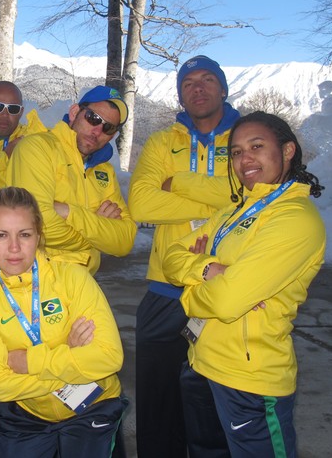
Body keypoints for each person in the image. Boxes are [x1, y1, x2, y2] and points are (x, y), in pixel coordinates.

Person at [162, 111, 326, 457]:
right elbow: (171, 257)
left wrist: (190, 293)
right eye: (236, 152)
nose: (244, 159)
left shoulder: (295, 220)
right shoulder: (234, 211)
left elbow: (225, 302)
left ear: (287, 151)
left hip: (250, 381)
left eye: (256, 146)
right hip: (201, 363)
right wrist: (208, 270)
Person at [127, 55, 241, 457]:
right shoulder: (162, 142)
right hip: (167, 288)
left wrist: (179, 183)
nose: (198, 87)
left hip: (228, 286)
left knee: (217, 404)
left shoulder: (246, 138)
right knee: (158, 405)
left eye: (208, 78)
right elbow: (141, 203)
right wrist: (217, 202)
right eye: (188, 81)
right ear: (180, 93)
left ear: (223, 88)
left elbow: (247, 194)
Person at [0, 186, 127, 458]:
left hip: (92, 406)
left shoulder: (73, 278)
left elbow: (110, 358)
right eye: (2, 235)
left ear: (39, 235)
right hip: (28, 414)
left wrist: (29, 362)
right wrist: (69, 351)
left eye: (25, 235)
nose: (14, 247)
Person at [6, 85, 136, 274]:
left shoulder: (104, 171)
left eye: (108, 128)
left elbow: (125, 240)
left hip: (82, 285)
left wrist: (69, 212)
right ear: (75, 112)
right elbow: (35, 225)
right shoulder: (37, 148)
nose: (97, 130)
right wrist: (94, 236)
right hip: (34, 281)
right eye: (93, 118)